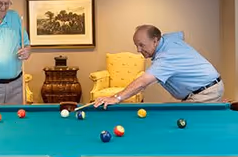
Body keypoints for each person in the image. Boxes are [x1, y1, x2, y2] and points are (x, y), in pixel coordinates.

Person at [94, 24, 223, 108]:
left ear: (155, 41)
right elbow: (181, 34)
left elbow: (143, 82)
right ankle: (217, 101)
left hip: (204, 93)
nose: (138, 50)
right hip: (207, 88)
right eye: (136, 45)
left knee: (188, 128)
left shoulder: (166, 57)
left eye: (141, 45)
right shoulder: (168, 38)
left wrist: (116, 98)